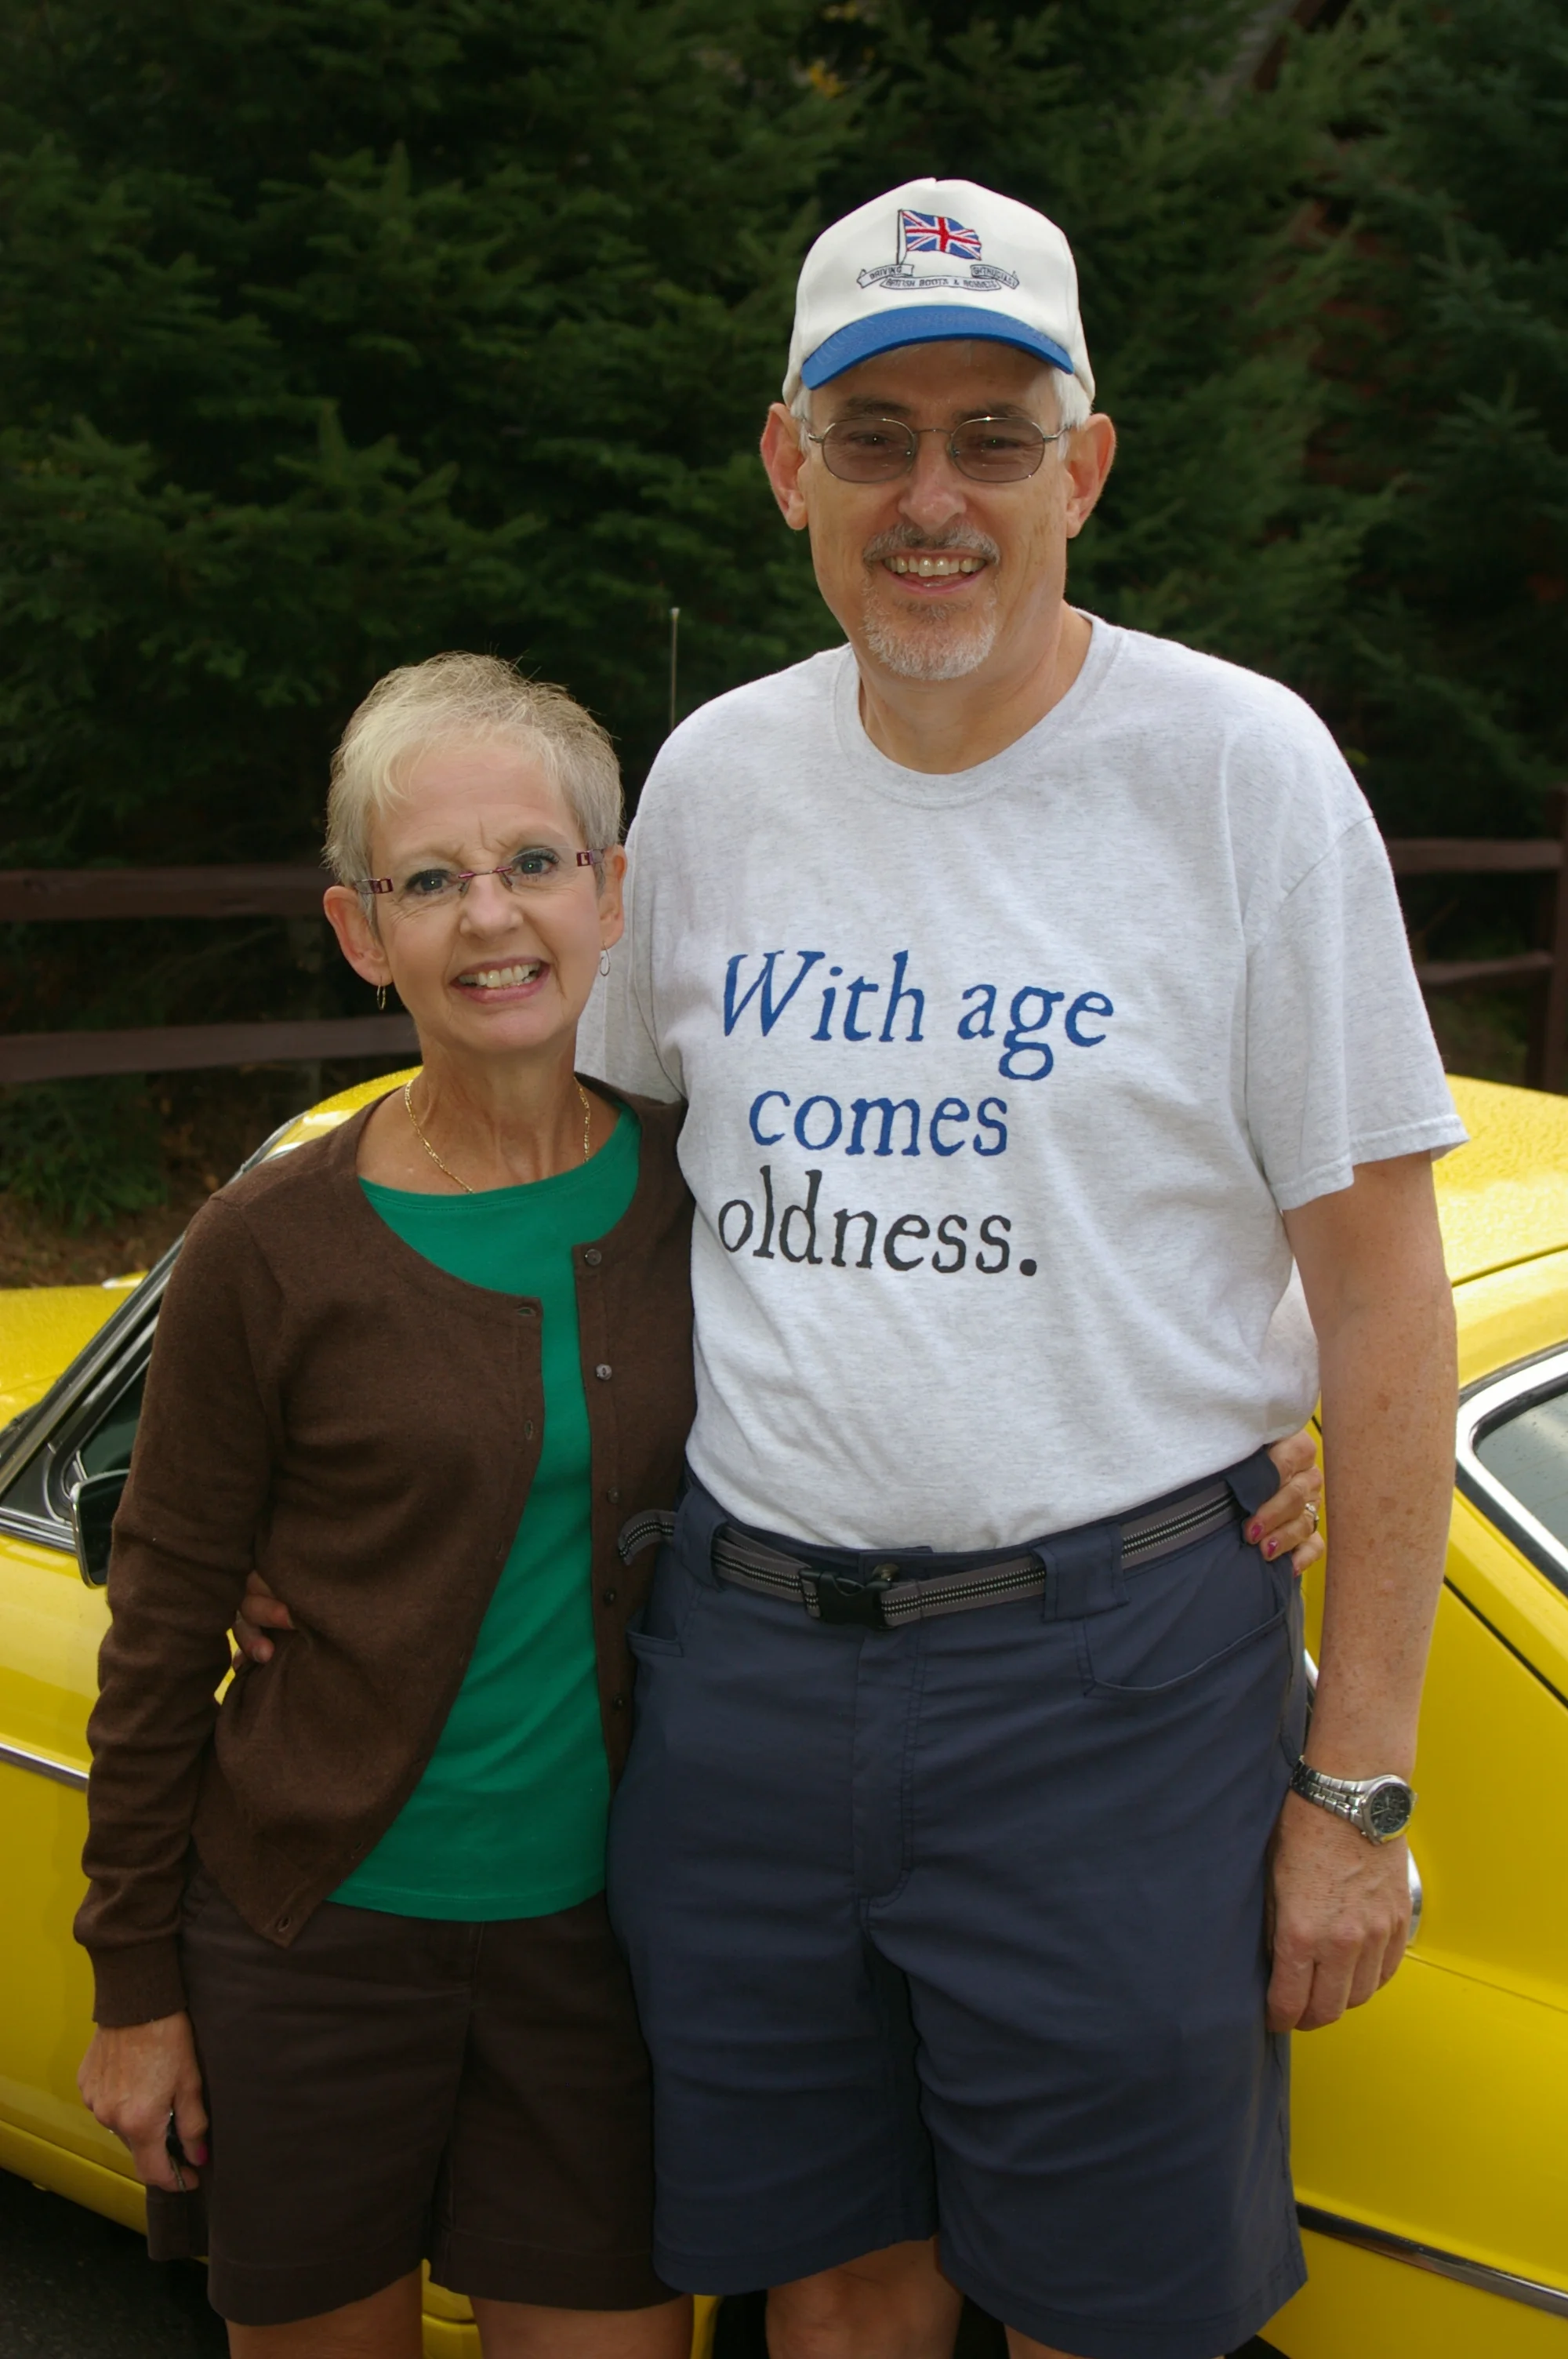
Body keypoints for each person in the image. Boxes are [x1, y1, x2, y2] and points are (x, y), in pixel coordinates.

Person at [567, 179, 1461, 2359]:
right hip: (754, 1670)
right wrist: (342, 1479)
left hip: (1117, 1680)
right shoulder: (714, 781)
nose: (934, 497)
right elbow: (596, 1204)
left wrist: (1355, 1786)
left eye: (994, 433)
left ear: (1087, 463)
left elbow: (1378, 1292)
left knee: (1107, 2312)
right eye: (875, 437)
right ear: (791, 469)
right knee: (837, 2287)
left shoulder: (1239, 774)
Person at [74, 656, 695, 2359]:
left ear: (609, 893)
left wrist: (1254, 1444)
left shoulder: (701, 1194)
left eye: (534, 863)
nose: (491, 916)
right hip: (309, 1950)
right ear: (364, 932)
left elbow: (911, 1392)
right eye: (432, 881)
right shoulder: (268, 1246)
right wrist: (136, 1991)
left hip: (605, 1960)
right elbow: (158, 1623)